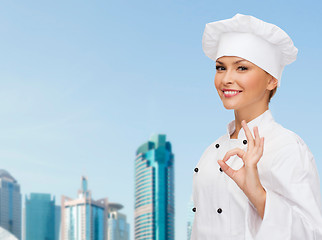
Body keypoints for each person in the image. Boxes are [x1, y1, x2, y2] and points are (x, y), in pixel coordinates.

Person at [191, 14, 322, 240]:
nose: (226, 79)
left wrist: (257, 194)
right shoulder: (210, 152)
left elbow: (311, 233)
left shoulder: (286, 146)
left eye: (241, 68)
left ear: (271, 80)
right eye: (220, 68)